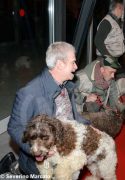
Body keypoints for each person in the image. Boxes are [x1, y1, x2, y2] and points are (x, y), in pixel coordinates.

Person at [6, 42, 90, 176]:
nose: (76, 67)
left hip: (65, 150)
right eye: (73, 62)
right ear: (60, 64)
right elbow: (14, 127)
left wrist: (88, 127)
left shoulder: (66, 85)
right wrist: (38, 149)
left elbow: (72, 116)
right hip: (42, 163)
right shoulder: (29, 92)